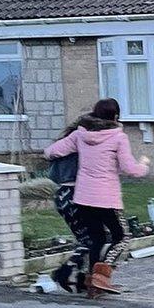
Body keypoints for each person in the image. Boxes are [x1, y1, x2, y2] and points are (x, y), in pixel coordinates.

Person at [44, 98, 149, 298]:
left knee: (96, 239)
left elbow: (51, 152)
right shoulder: (118, 137)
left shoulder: (80, 134)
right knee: (122, 237)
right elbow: (131, 169)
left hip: (83, 198)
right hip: (107, 198)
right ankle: (101, 275)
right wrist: (144, 164)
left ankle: (93, 286)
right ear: (116, 117)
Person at [46, 116, 92, 294]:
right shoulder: (81, 148)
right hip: (77, 195)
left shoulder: (61, 147)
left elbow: (53, 175)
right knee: (93, 239)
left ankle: (76, 277)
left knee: (83, 239)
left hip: (62, 196)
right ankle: (65, 272)